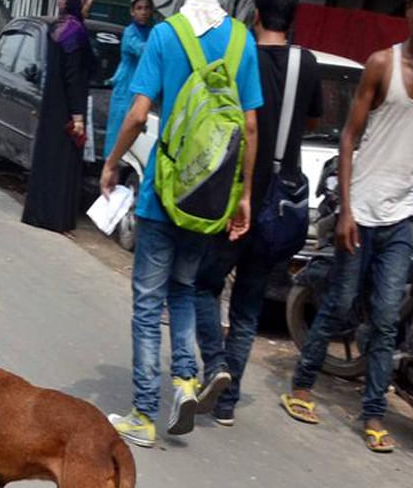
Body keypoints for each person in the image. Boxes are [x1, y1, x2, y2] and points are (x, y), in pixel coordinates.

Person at [99, 0, 262, 447]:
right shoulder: (241, 41)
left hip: (164, 191)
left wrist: (112, 163)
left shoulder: (166, 35)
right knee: (184, 289)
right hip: (209, 198)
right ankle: (186, 382)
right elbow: (249, 125)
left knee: (148, 304)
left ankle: (144, 413)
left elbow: (137, 114)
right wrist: (243, 194)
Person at [281, 0, 413, 453]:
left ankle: (374, 413)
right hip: (363, 208)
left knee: (385, 316)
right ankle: (301, 386)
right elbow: (349, 137)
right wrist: (349, 208)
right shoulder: (382, 64)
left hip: (403, 216)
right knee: (339, 304)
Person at [192, 0, 323, 426]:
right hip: (280, 203)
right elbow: (310, 122)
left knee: (204, 285)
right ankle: (228, 403)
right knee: (248, 303)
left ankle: (215, 366)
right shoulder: (307, 63)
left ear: (257, 16)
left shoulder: (240, 53)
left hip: (239, 193)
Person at [21, 0, 95, 234]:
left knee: (48, 159)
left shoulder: (59, 27)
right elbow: (73, 75)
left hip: (52, 106)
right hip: (66, 109)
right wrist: (78, 117)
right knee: (63, 163)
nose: (89, 5)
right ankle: (56, 218)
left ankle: (39, 213)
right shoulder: (75, 32)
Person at [104, 0, 153, 161]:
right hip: (126, 85)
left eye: (146, 8)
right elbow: (141, 49)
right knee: (118, 129)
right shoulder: (130, 32)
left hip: (142, 85)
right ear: (132, 12)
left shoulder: (152, 32)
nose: (143, 12)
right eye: (139, 8)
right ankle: (111, 164)